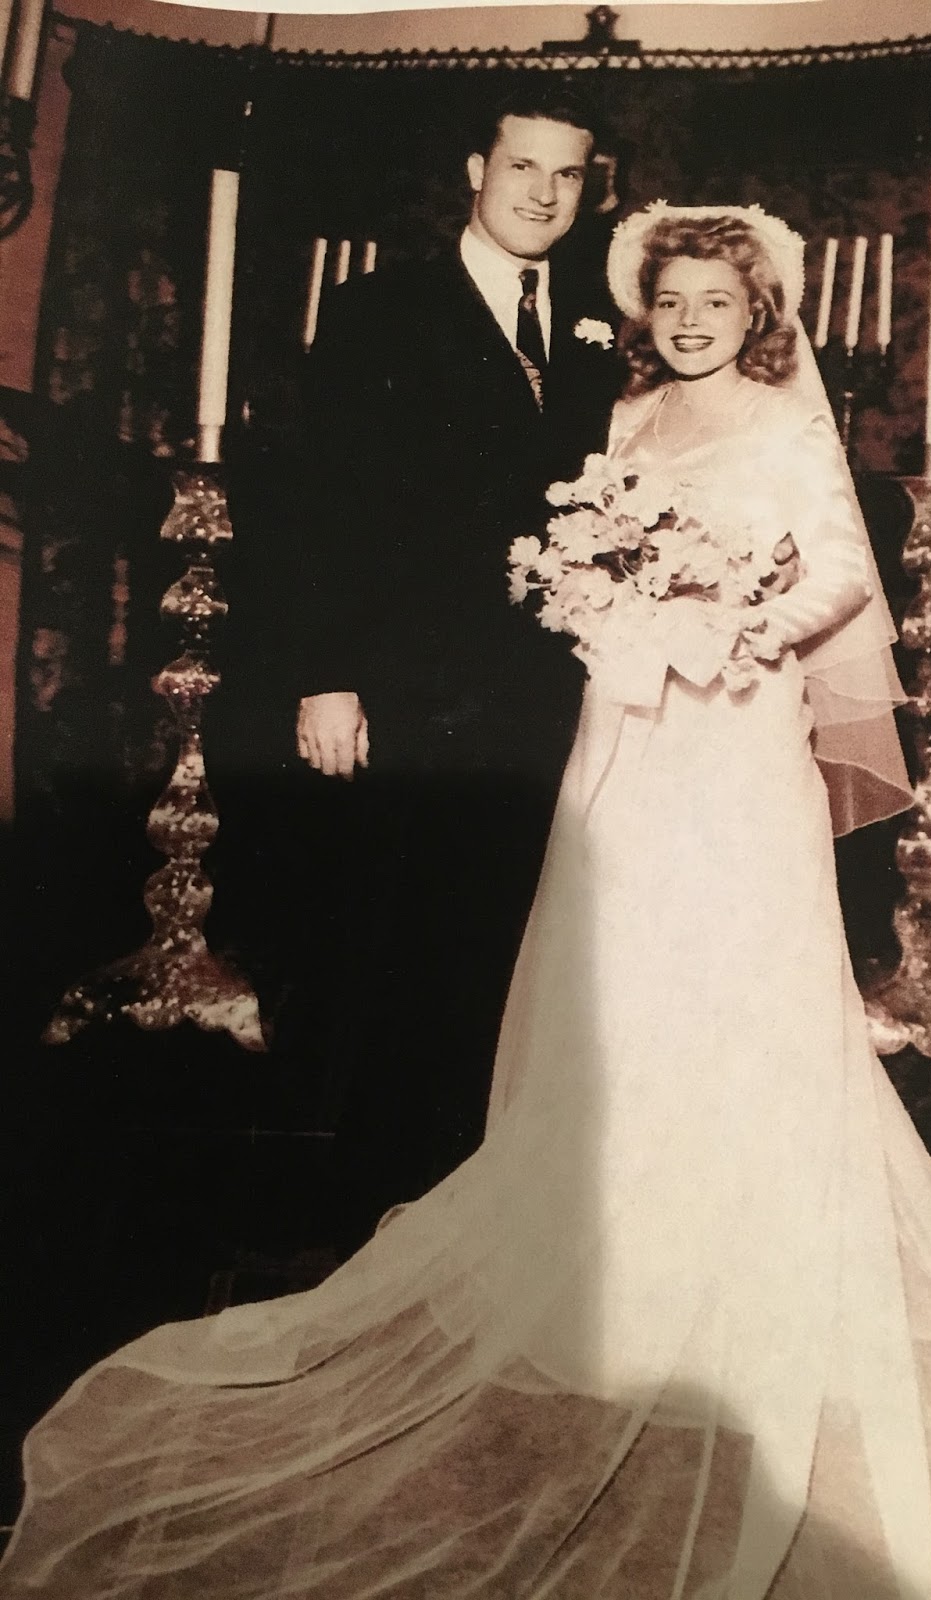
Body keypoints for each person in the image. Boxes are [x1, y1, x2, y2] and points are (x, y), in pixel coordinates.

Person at [4, 205, 931, 1599]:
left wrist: (741, 624)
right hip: (622, 733)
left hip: (734, 732)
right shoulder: (628, 417)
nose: (691, 323)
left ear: (758, 314)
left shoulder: (782, 420)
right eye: (671, 302)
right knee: (616, 970)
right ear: (648, 311)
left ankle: (739, 1261)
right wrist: (596, 597)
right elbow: (586, 553)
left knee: (727, 973)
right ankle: (608, 1262)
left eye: (715, 304)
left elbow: (841, 574)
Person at [289, 85, 622, 1211]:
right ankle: (375, 1201)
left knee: (514, 943)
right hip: (410, 684)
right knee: (401, 945)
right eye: (523, 165)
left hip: (554, 691)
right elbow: (322, 504)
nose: (544, 192)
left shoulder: (601, 323)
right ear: (477, 170)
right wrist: (328, 676)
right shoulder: (381, 310)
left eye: (568, 174)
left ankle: (485, 1201)